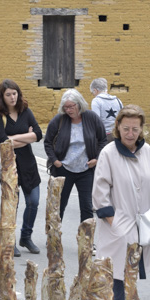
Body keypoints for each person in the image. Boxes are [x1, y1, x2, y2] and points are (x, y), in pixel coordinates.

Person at [92, 105, 150, 300]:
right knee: (116, 278)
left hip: (141, 224)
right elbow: (100, 191)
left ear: (141, 130)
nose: (130, 133)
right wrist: (115, 225)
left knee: (131, 276)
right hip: (118, 225)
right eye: (126, 128)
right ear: (118, 127)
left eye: (135, 129)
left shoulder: (146, 150)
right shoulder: (109, 153)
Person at [0, 79, 43, 256]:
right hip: (9, 166)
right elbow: (2, 141)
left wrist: (16, 138)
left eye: (15, 93)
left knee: (34, 201)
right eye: (8, 95)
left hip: (28, 164)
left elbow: (38, 134)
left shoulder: (25, 111)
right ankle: (9, 240)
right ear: (2, 97)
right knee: (12, 204)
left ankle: (26, 237)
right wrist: (27, 136)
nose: (13, 97)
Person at [44, 89, 107, 223]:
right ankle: (53, 239)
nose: (68, 110)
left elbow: (103, 140)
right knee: (59, 205)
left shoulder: (91, 118)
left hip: (86, 170)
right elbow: (48, 142)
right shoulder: (59, 120)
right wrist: (55, 161)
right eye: (66, 107)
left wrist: (97, 158)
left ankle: (86, 241)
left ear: (79, 104)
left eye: (71, 106)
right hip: (64, 169)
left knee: (87, 207)